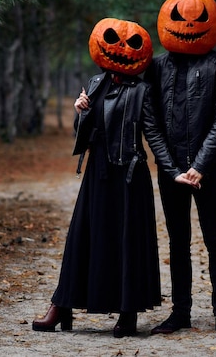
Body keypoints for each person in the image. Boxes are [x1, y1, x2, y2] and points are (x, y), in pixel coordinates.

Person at [32, 18, 168, 338]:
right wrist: (81, 112)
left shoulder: (142, 91)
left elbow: (155, 136)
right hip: (98, 173)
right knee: (81, 237)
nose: (121, 48)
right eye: (113, 40)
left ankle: (127, 312)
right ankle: (62, 305)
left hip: (129, 176)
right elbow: (84, 136)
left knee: (126, 242)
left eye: (131, 43)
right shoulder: (95, 83)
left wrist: (175, 171)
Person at [142, 0, 216, 337]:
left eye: (197, 18)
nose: (187, 25)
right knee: (178, 242)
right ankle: (180, 313)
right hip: (172, 173)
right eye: (180, 18)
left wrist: (199, 166)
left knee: (215, 239)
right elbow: (149, 120)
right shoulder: (155, 67)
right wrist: (172, 169)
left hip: (209, 171)